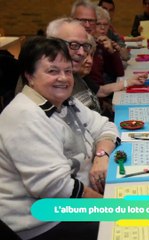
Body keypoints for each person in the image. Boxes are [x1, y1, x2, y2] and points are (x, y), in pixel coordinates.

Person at [0, 36, 119, 240]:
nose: (63, 78)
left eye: (68, 71)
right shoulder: (24, 115)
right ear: (29, 75)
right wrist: (111, 208)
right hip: (45, 222)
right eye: (52, 71)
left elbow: (106, 127)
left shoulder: (64, 102)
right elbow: (57, 188)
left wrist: (101, 155)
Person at [46, 17, 102, 114]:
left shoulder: (74, 74)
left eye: (85, 46)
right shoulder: (44, 82)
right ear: (52, 44)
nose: (82, 53)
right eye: (74, 45)